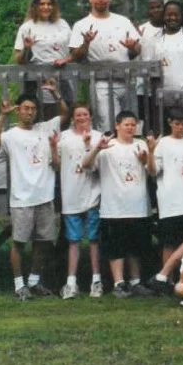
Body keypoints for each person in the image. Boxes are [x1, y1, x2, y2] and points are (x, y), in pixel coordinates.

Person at [0, 87, 68, 300]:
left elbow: (64, 114)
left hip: (45, 195)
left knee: (43, 241)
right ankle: (19, 285)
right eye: (25, 108)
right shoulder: (11, 135)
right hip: (22, 197)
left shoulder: (44, 128)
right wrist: (2, 116)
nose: (29, 112)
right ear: (18, 111)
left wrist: (55, 93)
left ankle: (34, 281)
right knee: (19, 241)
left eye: (33, 109)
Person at [81, 110, 152, 298]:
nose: (130, 127)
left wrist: (147, 158)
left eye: (133, 124)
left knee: (136, 247)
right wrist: (96, 148)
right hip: (114, 208)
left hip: (139, 207)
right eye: (126, 124)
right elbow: (86, 165)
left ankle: (136, 282)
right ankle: (119, 283)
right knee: (116, 248)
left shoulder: (141, 144)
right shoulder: (107, 146)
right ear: (117, 125)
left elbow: (152, 171)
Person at [145, 109, 183, 295]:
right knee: (169, 243)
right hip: (170, 201)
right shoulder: (162, 143)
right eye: (177, 123)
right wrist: (151, 151)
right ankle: (166, 281)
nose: (180, 127)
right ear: (170, 122)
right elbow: (153, 172)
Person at [69, 0, 141, 131]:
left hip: (126, 79)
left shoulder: (123, 21)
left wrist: (132, 46)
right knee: (108, 126)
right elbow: (75, 55)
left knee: (130, 125)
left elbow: (136, 50)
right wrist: (86, 43)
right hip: (101, 82)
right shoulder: (81, 25)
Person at [55, 101, 103, 299]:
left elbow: (96, 167)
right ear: (73, 118)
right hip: (71, 195)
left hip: (93, 194)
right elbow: (57, 164)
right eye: (78, 115)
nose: (82, 118)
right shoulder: (63, 137)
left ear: (91, 116)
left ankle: (96, 280)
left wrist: (89, 145)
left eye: (85, 115)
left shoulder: (98, 137)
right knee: (73, 241)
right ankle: (71, 282)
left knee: (93, 239)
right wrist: (51, 147)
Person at [14, 0, 73, 110]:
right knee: (37, 116)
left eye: (49, 4)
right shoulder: (27, 27)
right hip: (36, 80)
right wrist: (26, 48)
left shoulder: (63, 24)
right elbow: (18, 59)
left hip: (61, 77)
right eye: (42, 4)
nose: (46, 7)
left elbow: (74, 52)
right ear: (35, 6)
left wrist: (65, 59)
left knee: (65, 112)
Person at [148, 1, 183, 91]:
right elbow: (151, 68)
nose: (173, 18)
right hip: (164, 94)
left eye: (176, 15)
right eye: (169, 15)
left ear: (182, 17)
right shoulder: (155, 38)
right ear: (163, 16)